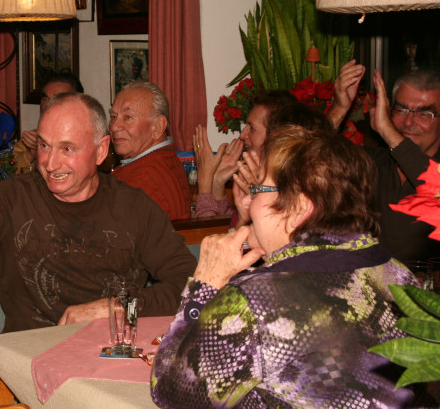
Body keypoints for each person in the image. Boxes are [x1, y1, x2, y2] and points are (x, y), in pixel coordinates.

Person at [151, 126, 428, 408]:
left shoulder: (256, 299)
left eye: (258, 189)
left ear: (299, 208)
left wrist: (205, 285)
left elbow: (172, 394)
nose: (245, 200)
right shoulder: (401, 278)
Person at [0, 92, 197, 333]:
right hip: (28, 355)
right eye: (44, 145)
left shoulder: (135, 207)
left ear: (100, 150)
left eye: (67, 149)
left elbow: (194, 288)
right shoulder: (12, 197)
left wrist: (117, 308)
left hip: (109, 353)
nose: (50, 164)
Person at [327, 62, 440, 262]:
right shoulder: (372, 161)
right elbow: (303, 157)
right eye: (401, 110)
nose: (408, 122)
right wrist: (340, 107)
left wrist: (388, 131)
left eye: (424, 114)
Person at [193, 90, 298, 219]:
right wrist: (217, 182)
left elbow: (207, 232)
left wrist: (204, 184)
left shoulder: (285, 187)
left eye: (252, 128)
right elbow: (232, 227)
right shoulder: (254, 177)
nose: (242, 135)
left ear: (276, 135)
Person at [110, 80, 191, 220]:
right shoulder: (165, 161)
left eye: (128, 117)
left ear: (158, 127)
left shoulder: (142, 182)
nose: (114, 127)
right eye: (113, 117)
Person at [19, 73, 84, 161]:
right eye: (46, 99)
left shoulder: (89, 138)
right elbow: (2, 167)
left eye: (58, 99)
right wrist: (32, 154)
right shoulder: (32, 138)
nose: (48, 105)